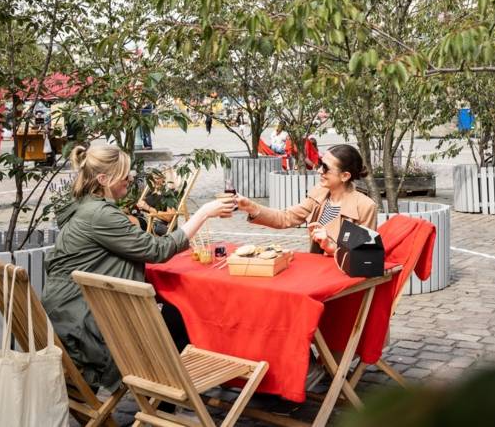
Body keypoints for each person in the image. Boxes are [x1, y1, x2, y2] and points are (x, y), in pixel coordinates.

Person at [41, 145, 234, 392]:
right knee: (179, 317)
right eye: (125, 176)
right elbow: (158, 251)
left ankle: (163, 402)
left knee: (174, 314)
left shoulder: (84, 207)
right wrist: (204, 214)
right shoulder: (99, 214)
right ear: (103, 179)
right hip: (87, 327)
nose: (130, 181)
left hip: (68, 313)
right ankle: (167, 401)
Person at [237, 144, 377, 255]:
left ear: (345, 176)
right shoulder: (320, 193)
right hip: (316, 270)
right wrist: (251, 207)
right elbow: (286, 217)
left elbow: (363, 254)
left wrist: (332, 247)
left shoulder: (365, 206)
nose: (319, 171)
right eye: (320, 164)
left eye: (326, 168)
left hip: (342, 278)